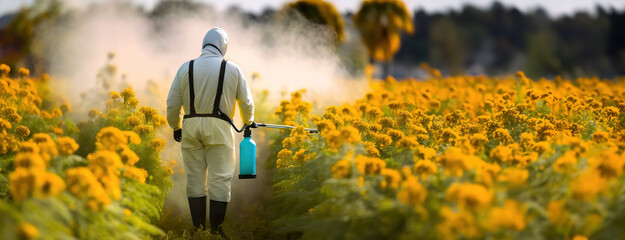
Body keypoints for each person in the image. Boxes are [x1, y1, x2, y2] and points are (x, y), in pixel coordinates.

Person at [166, 27, 255, 236]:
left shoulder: (185, 68)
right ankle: (216, 232)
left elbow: (172, 103)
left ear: (204, 44)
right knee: (220, 178)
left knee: (195, 179)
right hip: (219, 128)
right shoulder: (233, 69)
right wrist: (249, 122)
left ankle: (198, 231)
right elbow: (246, 102)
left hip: (190, 126)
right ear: (223, 46)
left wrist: (175, 126)